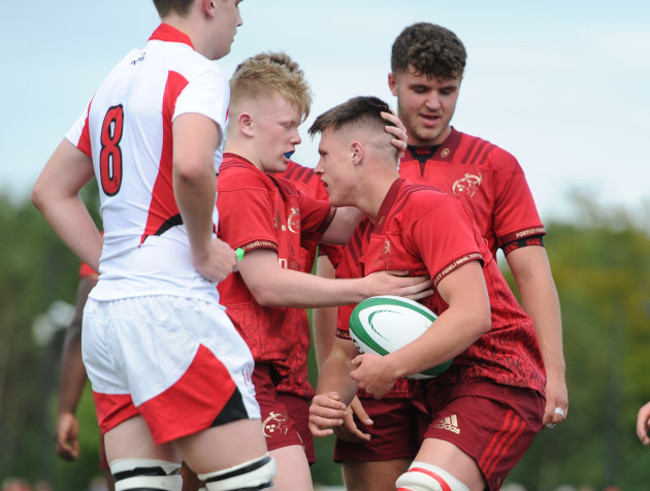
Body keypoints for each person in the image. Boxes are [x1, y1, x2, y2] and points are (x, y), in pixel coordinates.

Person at [31, 2, 277, 490]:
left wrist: (115, 264)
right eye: (236, 3)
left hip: (110, 319)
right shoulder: (200, 74)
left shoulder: (115, 76)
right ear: (209, 4)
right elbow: (190, 164)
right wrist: (205, 249)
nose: (240, 18)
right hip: (170, 313)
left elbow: (49, 191)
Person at [312, 22, 567, 490]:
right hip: (390, 376)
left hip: (477, 367)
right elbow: (336, 296)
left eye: (447, 90)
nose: (433, 103)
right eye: (420, 88)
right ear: (392, 84)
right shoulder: (353, 204)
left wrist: (555, 371)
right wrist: (336, 390)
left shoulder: (482, 172)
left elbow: (524, 280)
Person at [214, 53, 432, 491]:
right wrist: (366, 287)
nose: (298, 138)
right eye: (289, 125)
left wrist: (388, 160)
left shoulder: (281, 186)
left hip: (282, 377)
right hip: (244, 370)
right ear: (246, 122)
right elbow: (266, 285)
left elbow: (346, 219)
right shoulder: (238, 181)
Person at [54, 263, 114, 490]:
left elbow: (82, 327)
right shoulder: (225, 235)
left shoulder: (111, 240)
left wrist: (66, 411)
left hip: (130, 405)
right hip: (213, 390)